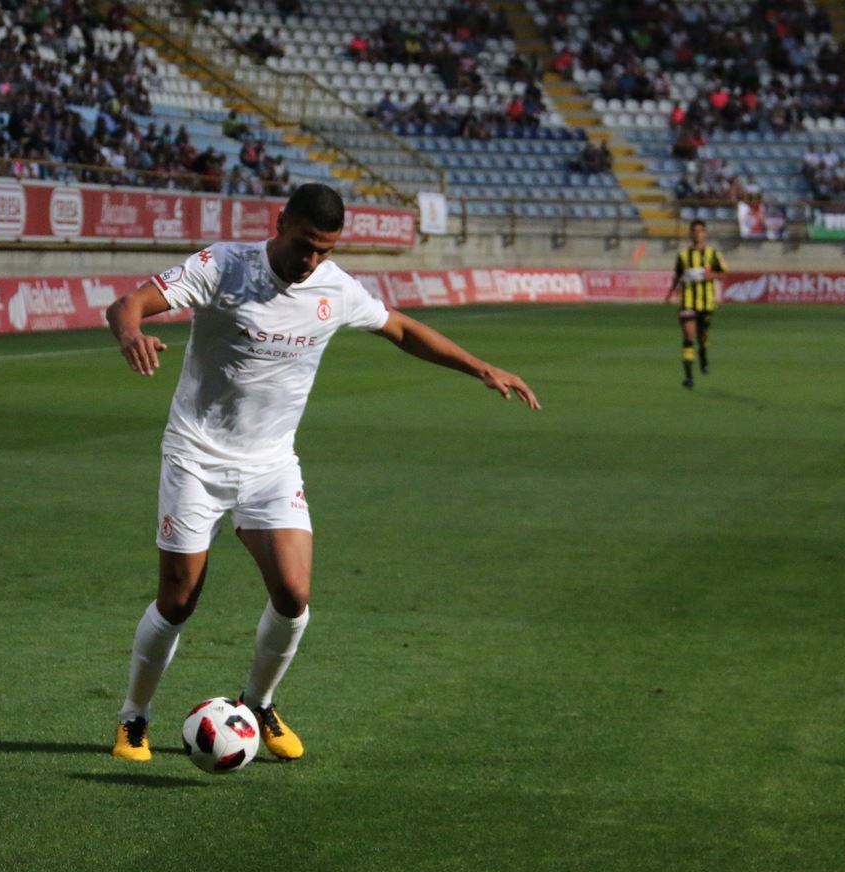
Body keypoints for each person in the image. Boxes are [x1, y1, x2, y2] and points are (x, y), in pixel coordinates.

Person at [104, 183, 540, 762]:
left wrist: (479, 367)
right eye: (305, 245)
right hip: (196, 454)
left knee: (294, 594)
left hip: (272, 463)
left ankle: (258, 702)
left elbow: (403, 330)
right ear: (280, 223)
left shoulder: (335, 288)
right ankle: (135, 718)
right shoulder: (224, 264)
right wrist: (131, 333)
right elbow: (127, 304)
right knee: (179, 600)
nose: (311, 261)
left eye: (324, 251)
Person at [663, 219, 727, 389]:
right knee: (688, 336)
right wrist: (670, 294)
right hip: (687, 302)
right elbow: (677, 276)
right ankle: (689, 377)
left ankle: (703, 354)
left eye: (701, 231)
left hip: (706, 303)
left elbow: (723, 274)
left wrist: (711, 276)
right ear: (690, 234)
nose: (698, 234)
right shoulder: (683, 256)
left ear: (705, 233)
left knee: (702, 336)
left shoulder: (713, 254)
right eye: (694, 231)